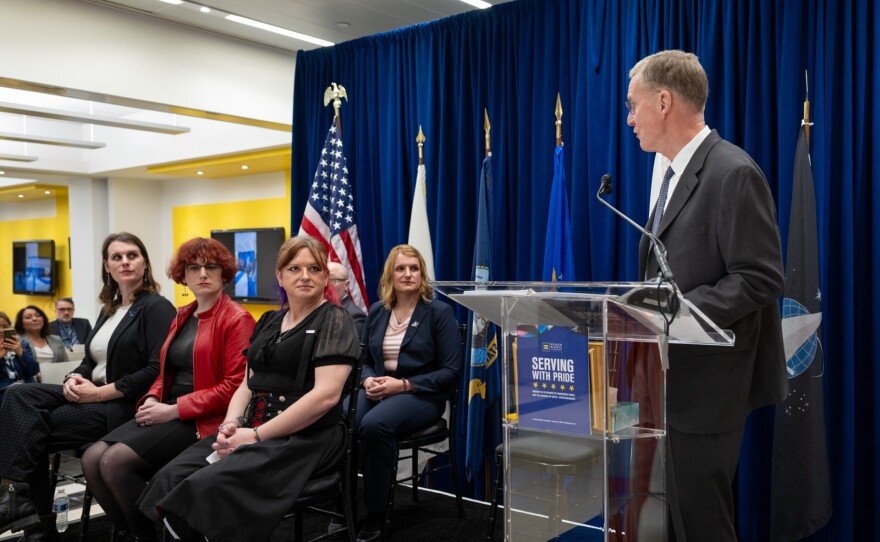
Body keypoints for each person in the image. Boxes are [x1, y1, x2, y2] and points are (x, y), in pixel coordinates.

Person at [626, 50, 786, 541]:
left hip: (708, 390)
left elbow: (761, 277)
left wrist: (673, 312)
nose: (630, 119)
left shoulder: (733, 173)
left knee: (703, 527)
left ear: (664, 102)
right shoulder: (674, 175)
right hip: (669, 384)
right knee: (672, 523)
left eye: (634, 105)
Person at [137, 235, 360, 542]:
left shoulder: (335, 320)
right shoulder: (269, 320)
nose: (305, 276)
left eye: (314, 268)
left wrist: (254, 436)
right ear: (280, 276)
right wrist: (230, 425)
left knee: (205, 487)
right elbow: (246, 384)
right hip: (251, 427)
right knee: (169, 477)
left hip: (306, 438)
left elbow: (326, 396)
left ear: (325, 277)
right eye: (294, 269)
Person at [0, 232, 176, 541]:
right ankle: (21, 507)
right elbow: (90, 360)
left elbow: (155, 369)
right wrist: (73, 378)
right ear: (106, 266)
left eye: (132, 255)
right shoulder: (109, 308)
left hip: (122, 406)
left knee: (28, 431)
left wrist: (97, 393)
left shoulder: (156, 307)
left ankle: (31, 521)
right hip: (91, 396)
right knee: (18, 395)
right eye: (117, 257)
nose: (125, 262)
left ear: (145, 263)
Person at [81, 238, 254, 542]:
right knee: (91, 458)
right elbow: (163, 371)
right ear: (182, 276)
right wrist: (151, 396)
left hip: (202, 420)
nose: (202, 273)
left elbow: (233, 387)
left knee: (114, 462)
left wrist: (173, 409)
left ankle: (145, 535)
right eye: (193, 267)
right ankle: (130, 532)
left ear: (225, 274)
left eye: (211, 266)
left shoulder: (237, 319)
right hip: (167, 410)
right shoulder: (183, 315)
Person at [353, 244, 461, 542]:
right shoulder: (377, 311)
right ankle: (345, 504)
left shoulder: (439, 312)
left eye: (414, 268)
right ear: (391, 274)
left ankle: (376, 514)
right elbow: (363, 361)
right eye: (400, 268)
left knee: (375, 426)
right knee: (344, 418)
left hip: (422, 396)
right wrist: (368, 381)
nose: (408, 274)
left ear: (422, 274)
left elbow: (450, 372)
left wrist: (402, 385)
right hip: (379, 387)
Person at [329, 261, 366, 338]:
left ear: (346, 285)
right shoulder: (319, 311)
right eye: (323, 280)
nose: (326, 285)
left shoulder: (354, 316)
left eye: (331, 280)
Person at [1, 329, 39, 404]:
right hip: (4, 394)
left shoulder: (23, 345)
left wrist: (21, 353)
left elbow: (33, 370)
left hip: (28, 390)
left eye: (5, 326)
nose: (1, 330)